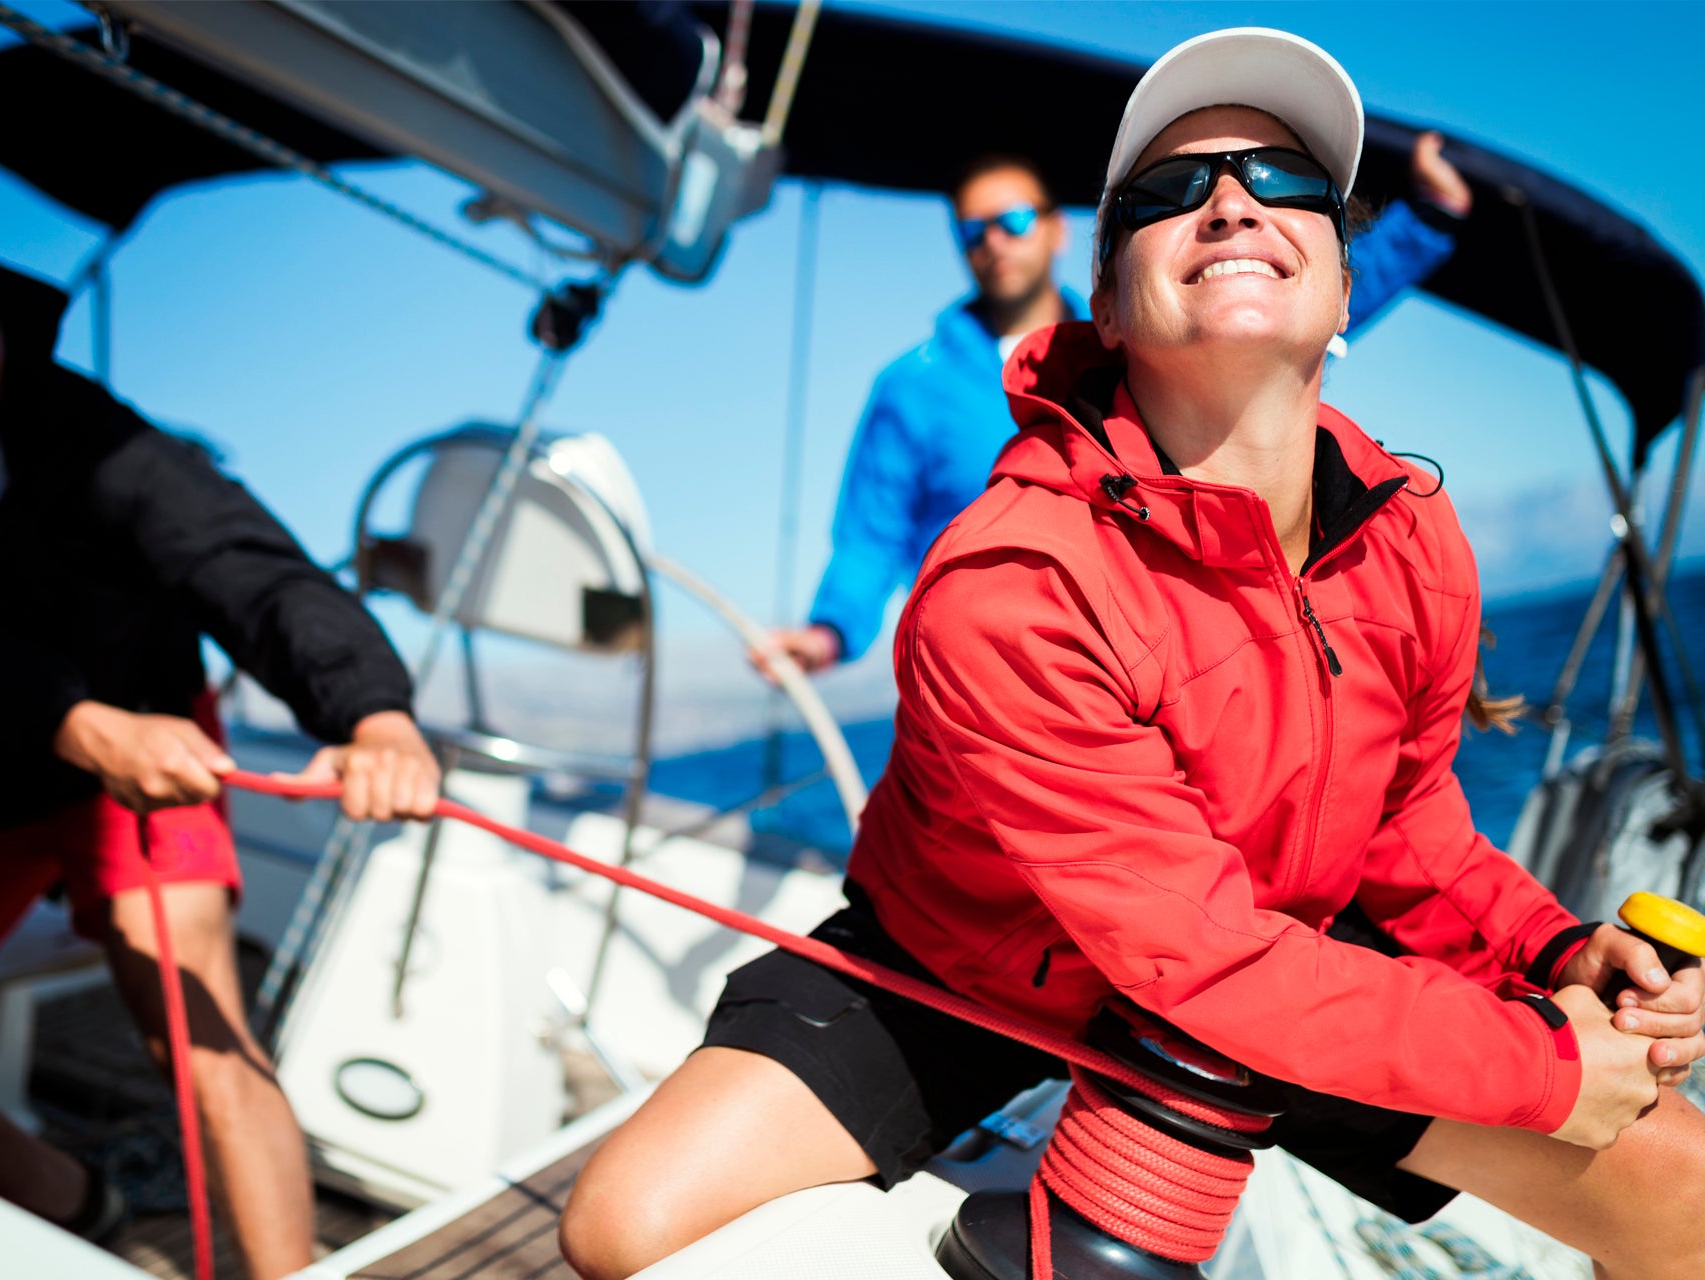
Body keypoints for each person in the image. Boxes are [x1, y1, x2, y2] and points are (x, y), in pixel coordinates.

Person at [563, 28, 1703, 1280]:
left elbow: (1403, 823)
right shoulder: (1009, 583)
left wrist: (1547, 950)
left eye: (1286, 184)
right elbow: (1198, 951)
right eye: (1166, 194)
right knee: (628, 1227)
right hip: (975, 957)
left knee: (1685, 1191)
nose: (1229, 203)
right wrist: (1538, 1059)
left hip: (1268, 948)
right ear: (1104, 302)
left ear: (1338, 278)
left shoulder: (1414, 536)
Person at [0, 184, 441, 1280]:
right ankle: (54, 1190)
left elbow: (242, 560)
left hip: (155, 734)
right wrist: (80, 729)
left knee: (200, 1035)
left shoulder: (84, 425)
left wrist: (373, 710)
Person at [755, 133, 1476, 680]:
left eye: (1011, 219)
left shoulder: (1141, 337)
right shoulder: (909, 388)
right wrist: (827, 634)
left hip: (1157, 657)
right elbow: (870, 535)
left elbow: (1282, 299)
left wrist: (1432, 218)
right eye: (972, 232)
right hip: (988, 668)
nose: (994, 243)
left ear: (1053, 227)